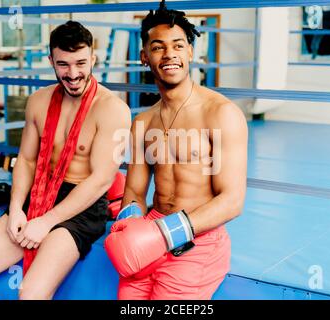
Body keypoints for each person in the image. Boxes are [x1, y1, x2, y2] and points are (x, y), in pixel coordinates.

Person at [0, 21, 131, 300]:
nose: (73, 74)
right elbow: (26, 159)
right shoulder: (39, 101)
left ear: (93, 59)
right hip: (40, 194)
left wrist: (47, 222)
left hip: (81, 206)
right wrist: (16, 208)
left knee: (31, 294)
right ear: (51, 61)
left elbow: (101, 180)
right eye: (63, 64)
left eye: (81, 63)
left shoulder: (113, 109)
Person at [105, 0, 248, 300]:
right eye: (158, 47)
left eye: (178, 45)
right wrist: (130, 227)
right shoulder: (142, 123)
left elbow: (232, 201)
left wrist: (163, 233)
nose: (170, 54)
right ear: (145, 57)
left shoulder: (220, 113)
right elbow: (134, 192)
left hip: (198, 243)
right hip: (148, 238)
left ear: (190, 52)